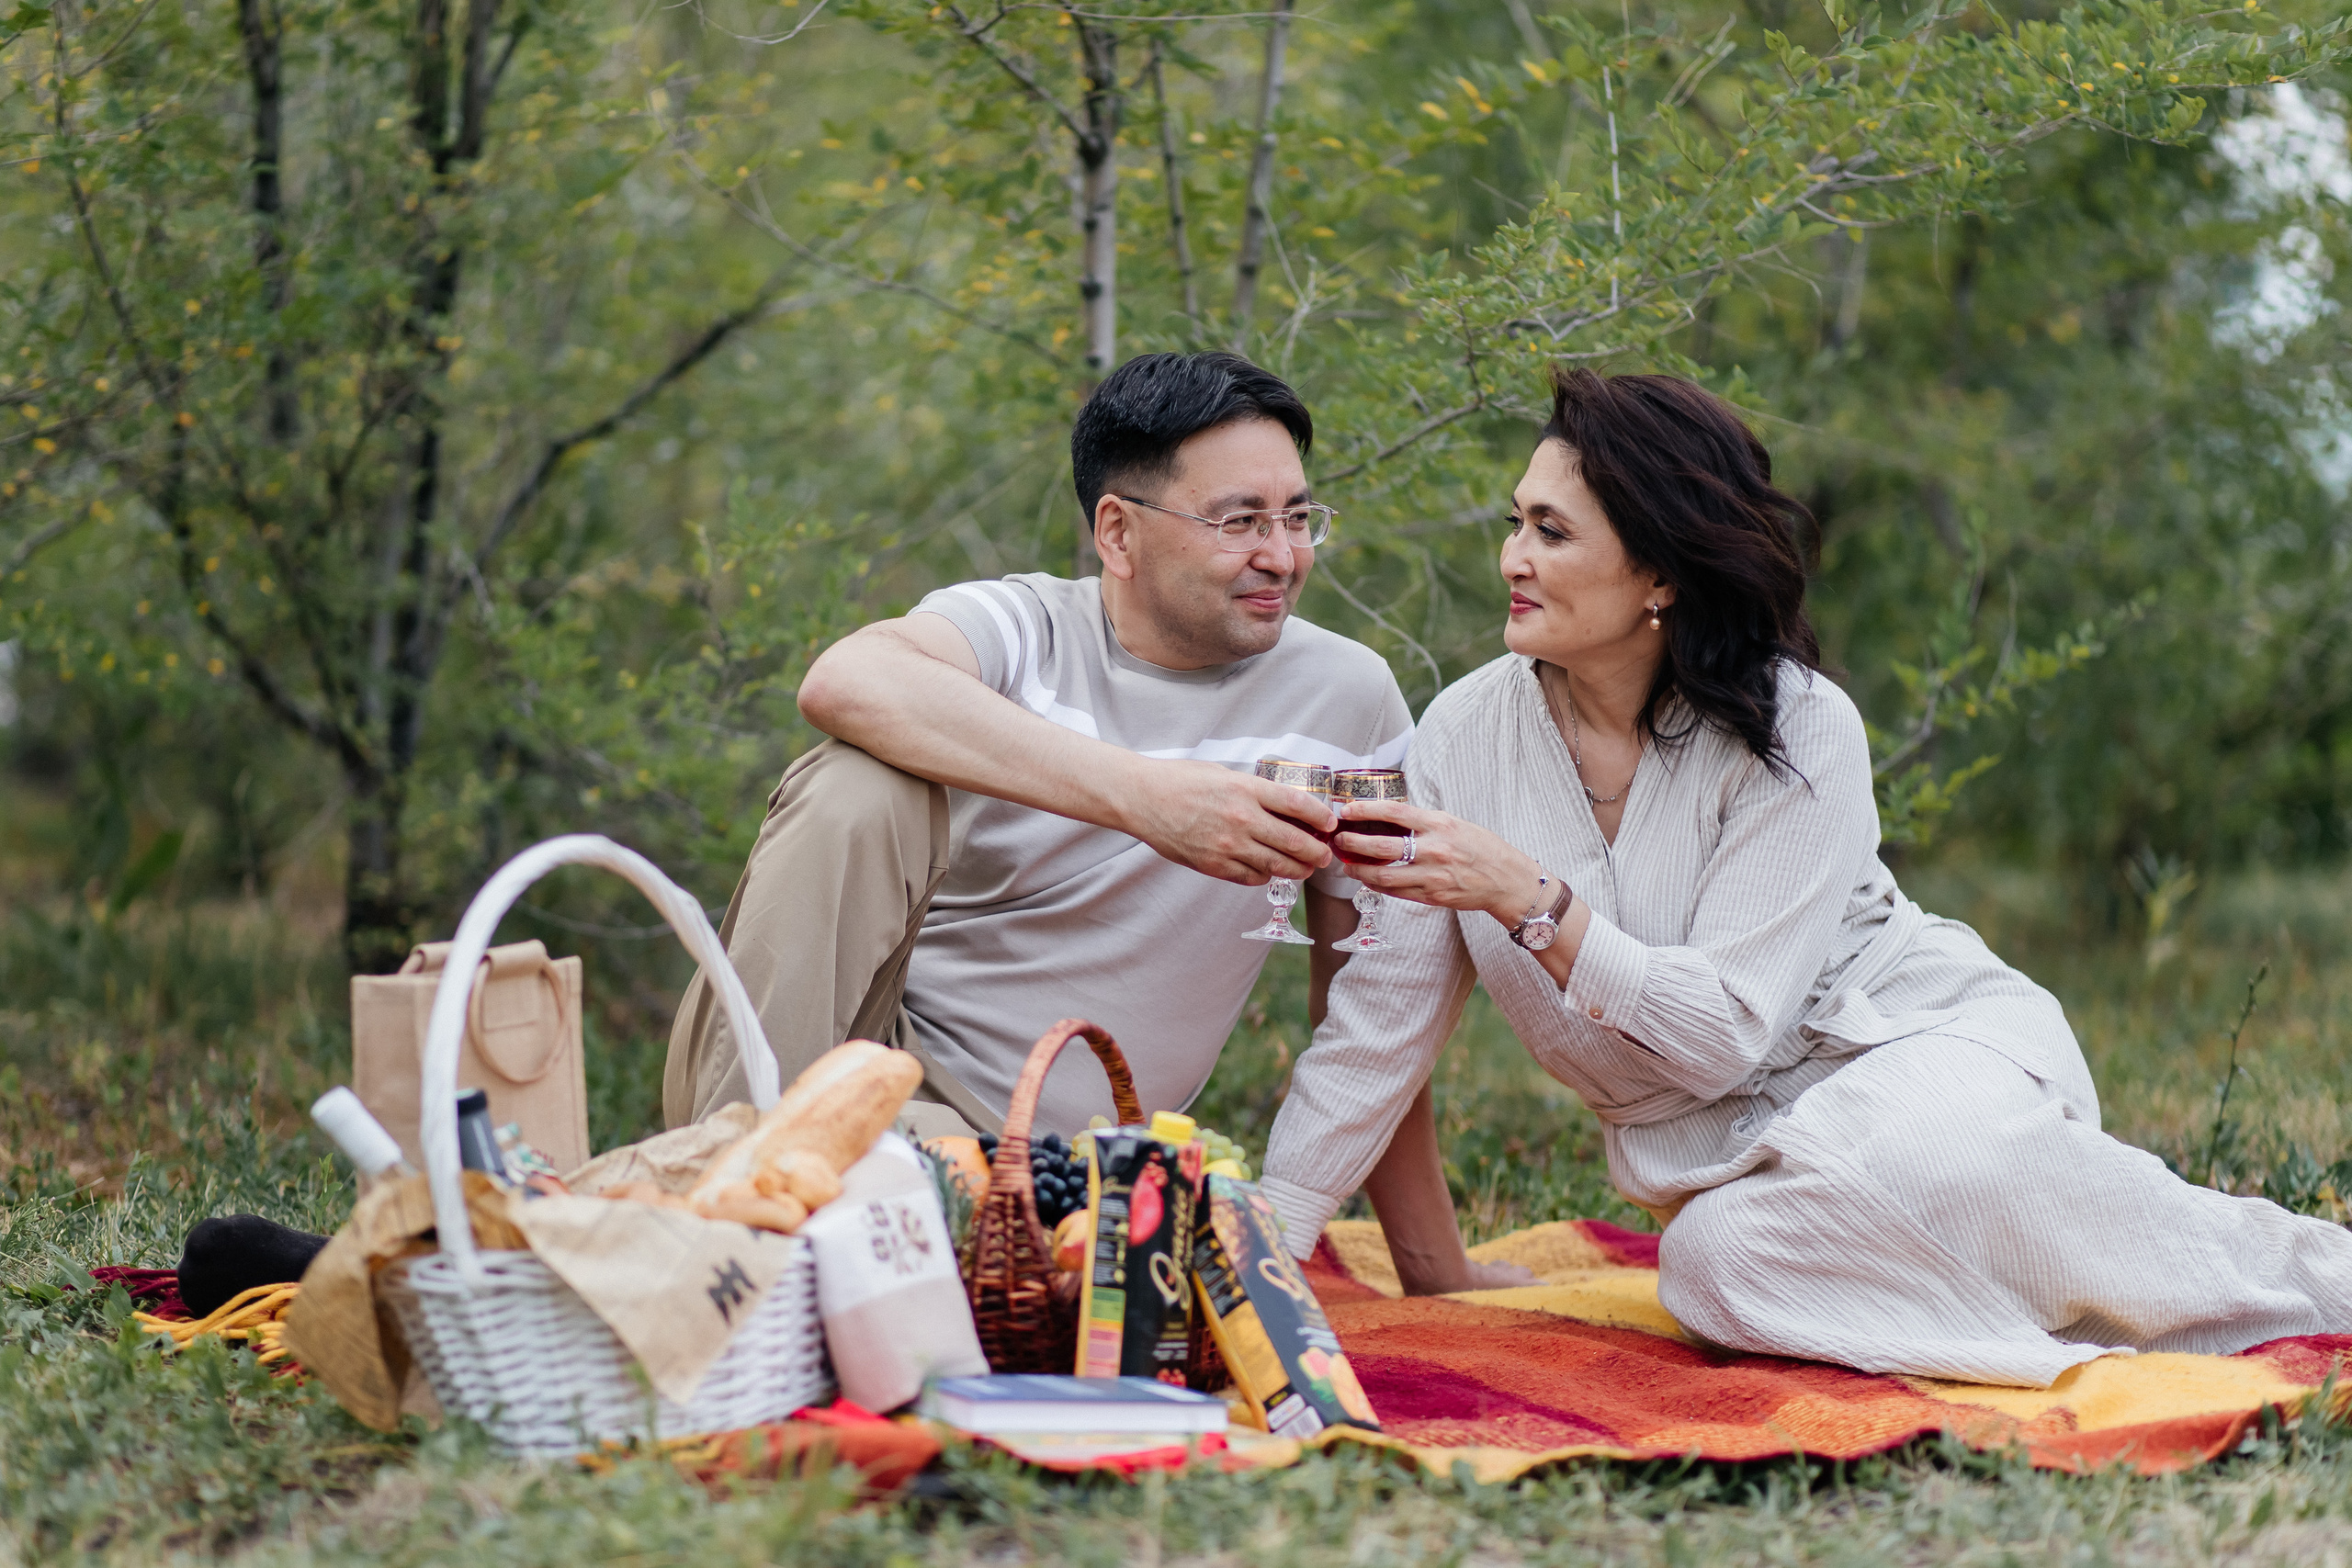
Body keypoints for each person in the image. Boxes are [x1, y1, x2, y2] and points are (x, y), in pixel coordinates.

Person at [1258, 367, 2352, 1385]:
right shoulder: (1460, 736)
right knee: (1716, 1272)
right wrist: (1259, 1251)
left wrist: (1532, 902)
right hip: (1738, 1168)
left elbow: (1725, 1031)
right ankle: (2075, 1364)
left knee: (1903, 1154)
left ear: (1660, 575)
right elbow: (1375, 1030)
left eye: (1550, 531)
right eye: (1514, 523)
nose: (1512, 558)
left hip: (1919, 1056)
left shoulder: (1798, 727)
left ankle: (2304, 1285)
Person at [664, 351, 1412, 1143]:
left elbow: (1371, 1007)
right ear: (1118, 533)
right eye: (1240, 522)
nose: (1282, 555)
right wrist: (1151, 799)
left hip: (1057, 1159)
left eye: (1297, 518)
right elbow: (847, 679)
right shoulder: (1026, 629)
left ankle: (819, 1193)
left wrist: (1423, 1256)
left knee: (938, 1186)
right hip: (849, 1066)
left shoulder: (1349, 697)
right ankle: (735, 1176)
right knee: (857, 781)